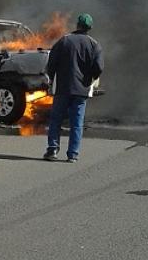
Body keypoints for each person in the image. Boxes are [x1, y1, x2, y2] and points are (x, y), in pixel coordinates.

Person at [43, 13, 103, 163]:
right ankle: (73, 154)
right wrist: (90, 78)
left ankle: (52, 150)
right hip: (82, 90)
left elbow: (51, 63)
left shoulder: (64, 40)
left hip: (63, 88)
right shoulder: (94, 45)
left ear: (77, 25)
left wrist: (50, 79)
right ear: (90, 27)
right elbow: (99, 67)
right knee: (77, 124)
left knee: (56, 120)